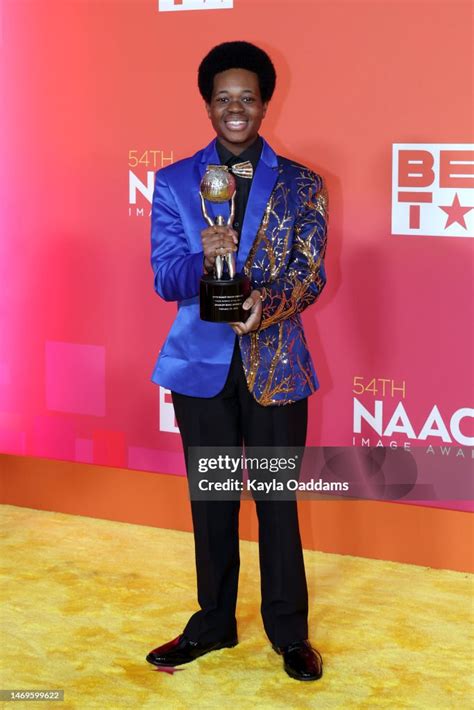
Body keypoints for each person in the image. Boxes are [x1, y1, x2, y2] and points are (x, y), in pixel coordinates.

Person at [146, 41, 328, 682]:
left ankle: (288, 630)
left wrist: (266, 307)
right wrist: (202, 255)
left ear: (265, 103)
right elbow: (166, 278)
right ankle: (214, 623)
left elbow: (310, 275)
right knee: (212, 501)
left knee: (277, 500)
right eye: (223, 98)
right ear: (207, 104)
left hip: (274, 361)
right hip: (201, 368)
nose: (235, 109)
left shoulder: (304, 183)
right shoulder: (172, 182)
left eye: (247, 97)